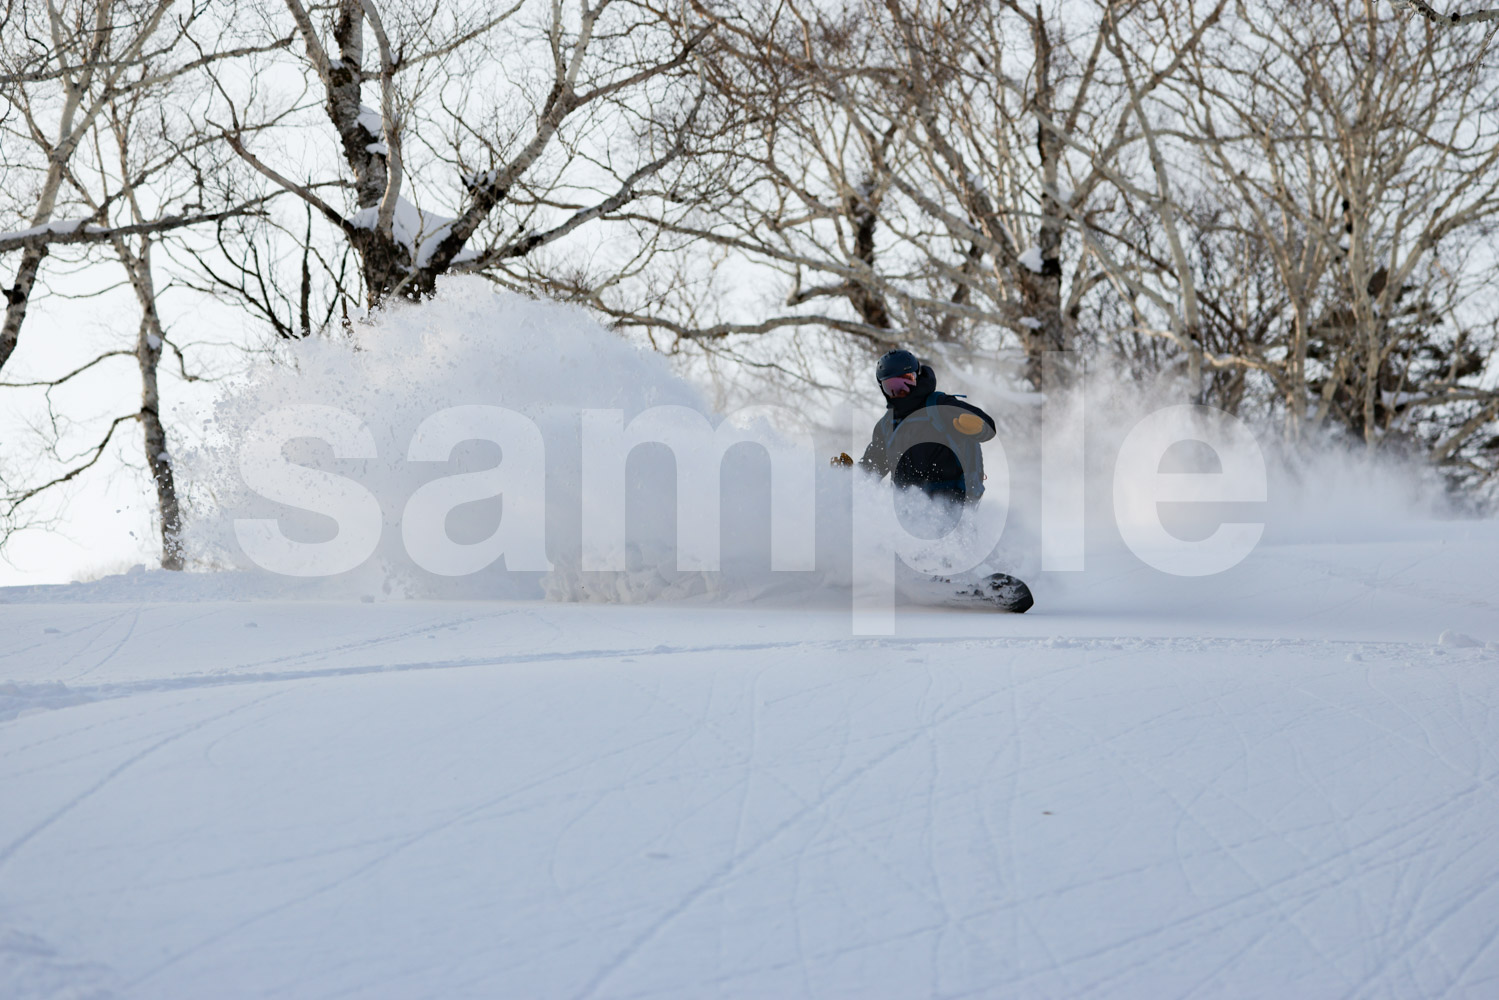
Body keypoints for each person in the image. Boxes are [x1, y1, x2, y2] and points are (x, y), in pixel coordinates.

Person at [853, 349, 996, 504]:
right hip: (907, 508)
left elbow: (988, 427)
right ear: (883, 389)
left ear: (917, 376)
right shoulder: (887, 425)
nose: (902, 391)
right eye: (892, 386)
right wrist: (847, 474)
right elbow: (872, 467)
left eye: (907, 381)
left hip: (954, 504)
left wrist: (978, 427)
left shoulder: (939, 406)